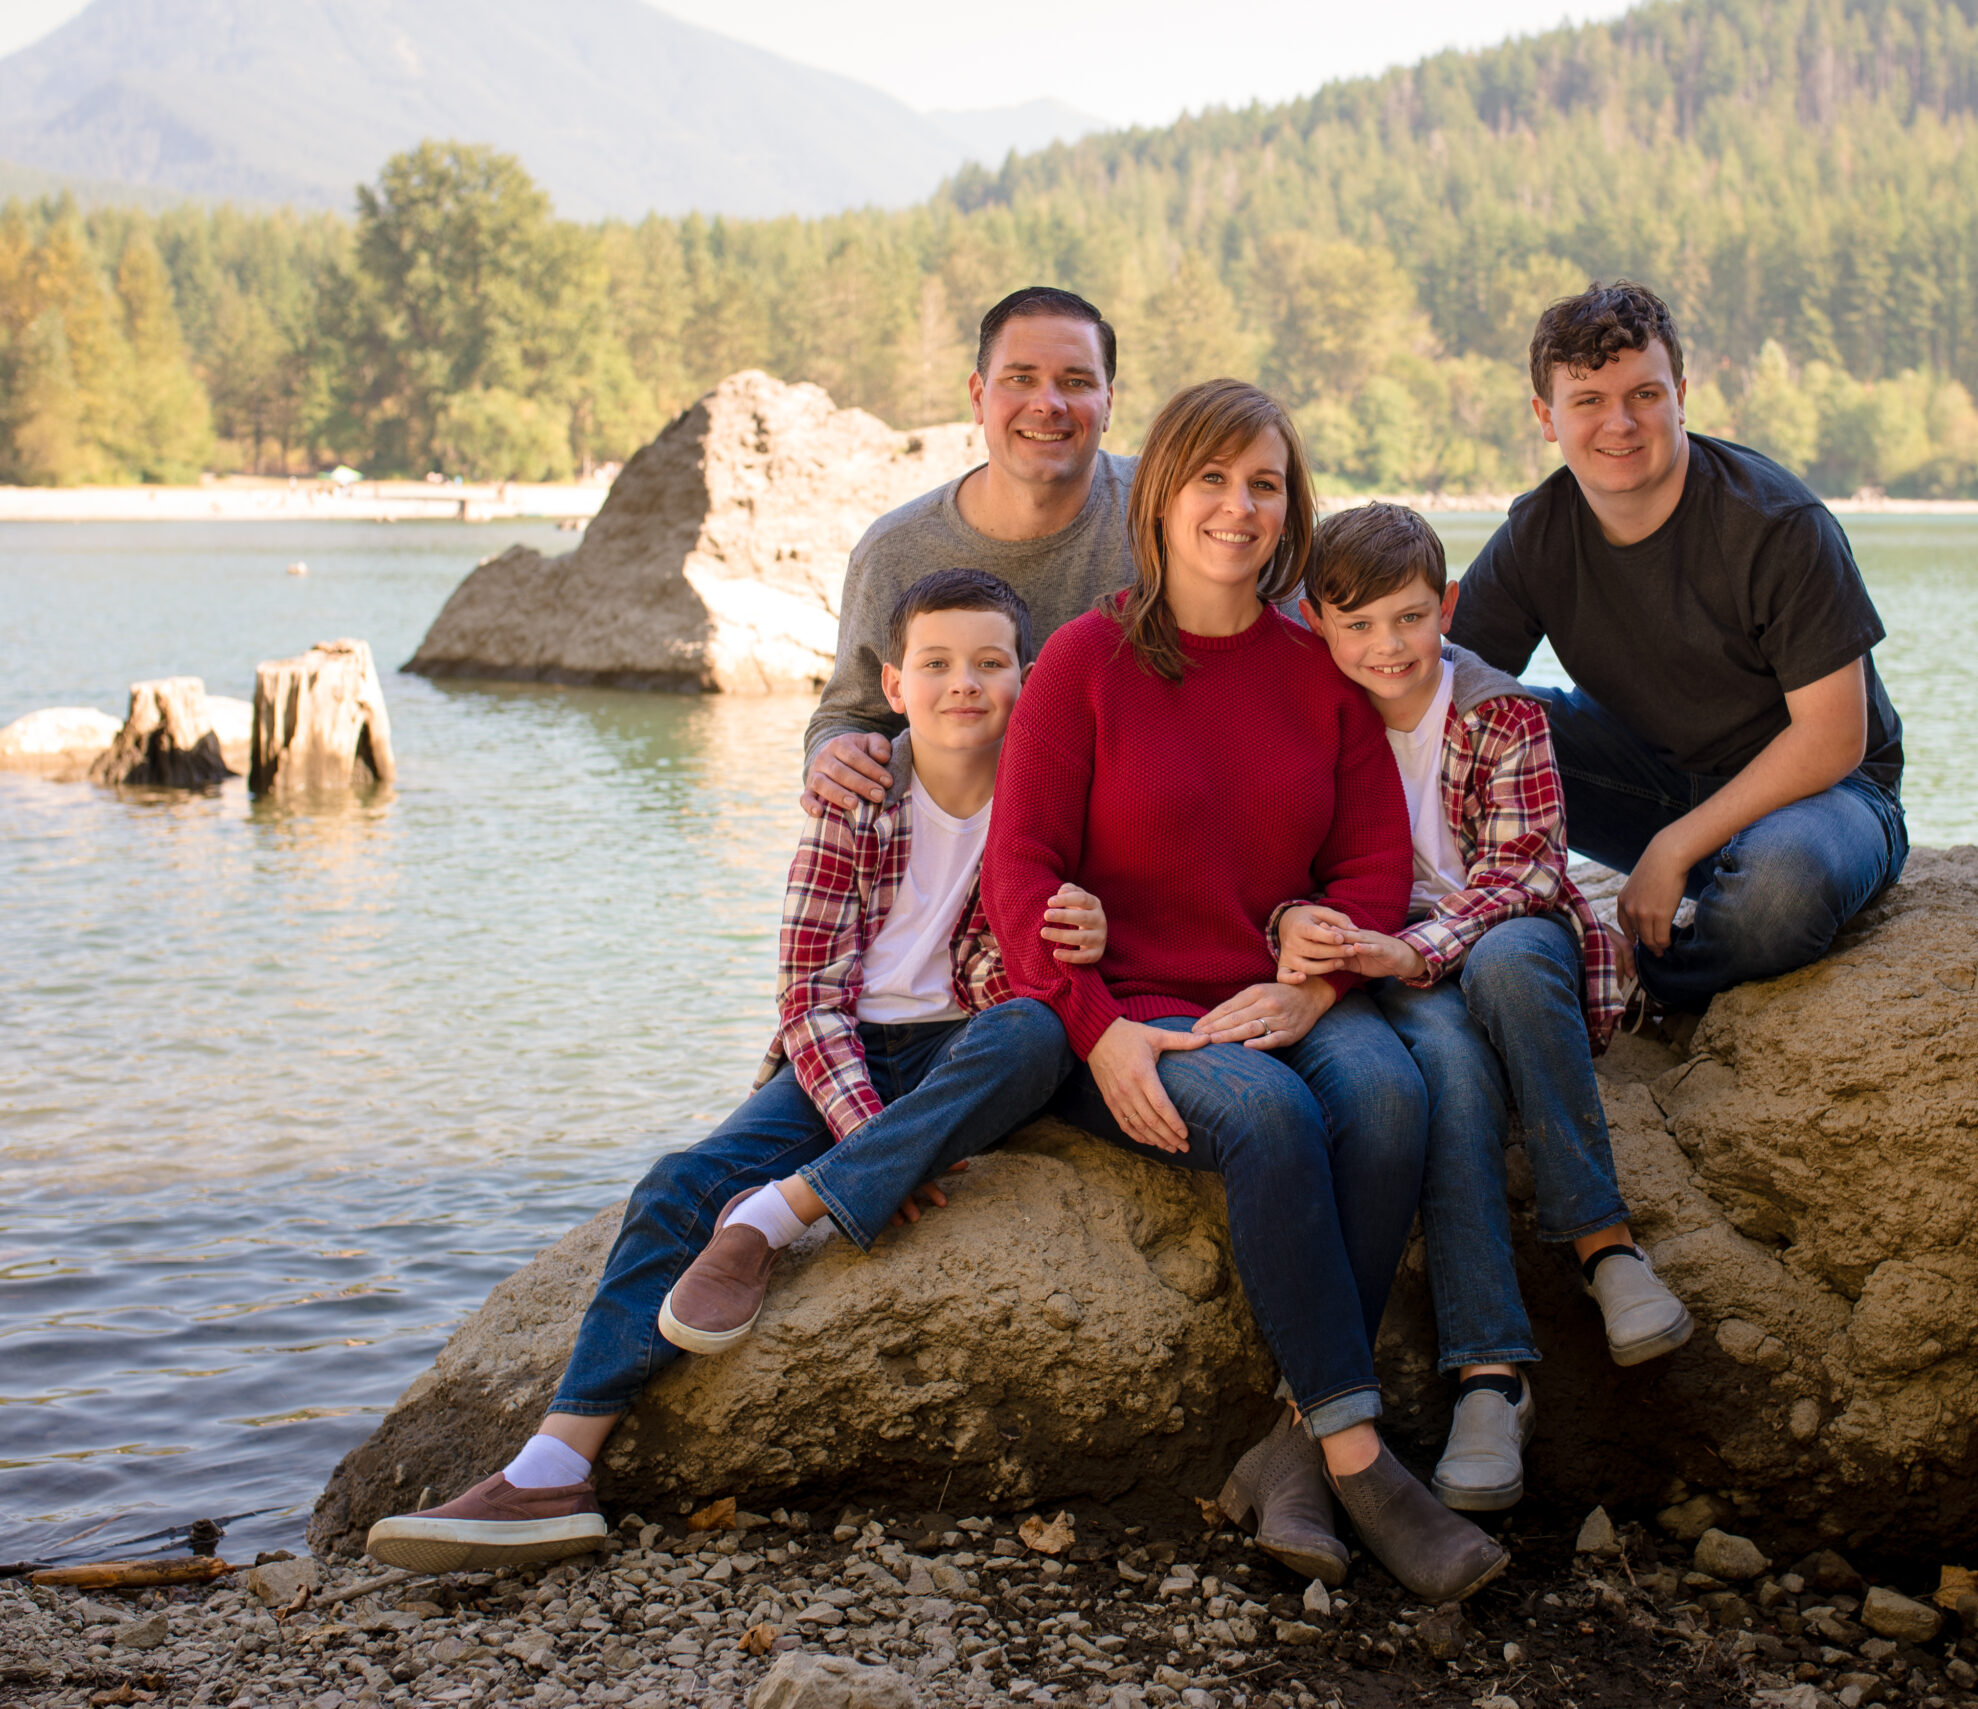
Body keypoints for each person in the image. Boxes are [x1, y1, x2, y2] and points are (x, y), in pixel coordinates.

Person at [364, 570, 1104, 1573]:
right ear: (894, 682)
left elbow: (1020, 976)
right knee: (675, 1180)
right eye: (935, 663)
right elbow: (809, 995)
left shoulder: (1047, 799)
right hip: (842, 1048)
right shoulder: (856, 794)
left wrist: (1075, 926)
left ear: (1027, 678)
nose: (962, 683)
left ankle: (767, 1217)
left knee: (1031, 1032)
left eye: (989, 663)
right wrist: (871, 1141)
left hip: (966, 1050)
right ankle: (553, 1466)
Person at [981, 379, 1508, 1604]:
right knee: (1271, 1118)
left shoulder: (1314, 668)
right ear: (1160, 491)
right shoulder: (1084, 660)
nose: (1237, 505)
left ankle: (1287, 1445)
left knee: (1382, 1094)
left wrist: (1318, 991)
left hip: (1277, 993)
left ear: (1291, 506)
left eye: (1263, 483)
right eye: (1212, 478)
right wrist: (1102, 1037)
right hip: (1132, 1018)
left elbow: (1371, 863)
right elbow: (1019, 876)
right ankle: (1364, 1460)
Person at [1277, 503, 1693, 1513]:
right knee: (1450, 1075)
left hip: (1509, 934)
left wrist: (1408, 946)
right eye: (1360, 624)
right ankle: (1489, 1378)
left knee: (1505, 961)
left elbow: (1521, 876)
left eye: (1410, 617)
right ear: (1318, 624)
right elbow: (1275, 860)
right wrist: (1314, 928)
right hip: (1394, 961)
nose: (1388, 645)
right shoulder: (1311, 715)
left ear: (1447, 606)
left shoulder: (1500, 710)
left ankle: (1605, 1245)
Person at [1449, 281, 1908, 1012]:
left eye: (1644, 395)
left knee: (1781, 894)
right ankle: (1477, 934)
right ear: (1546, 418)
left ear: (1682, 394)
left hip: (1823, 798)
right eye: (1589, 401)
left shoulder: (1775, 522)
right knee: (1473, 728)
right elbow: (1438, 682)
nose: (1620, 424)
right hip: (1649, 779)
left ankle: (1640, 985)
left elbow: (1835, 737)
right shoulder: (1540, 534)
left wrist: (1672, 849)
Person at [802, 286, 1136, 819]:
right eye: (1020, 379)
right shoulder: (895, 551)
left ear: (1109, 402)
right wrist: (832, 757)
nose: (1048, 403)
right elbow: (851, 716)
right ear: (979, 398)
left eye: (1076, 382)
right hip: (963, 858)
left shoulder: (1174, 512)